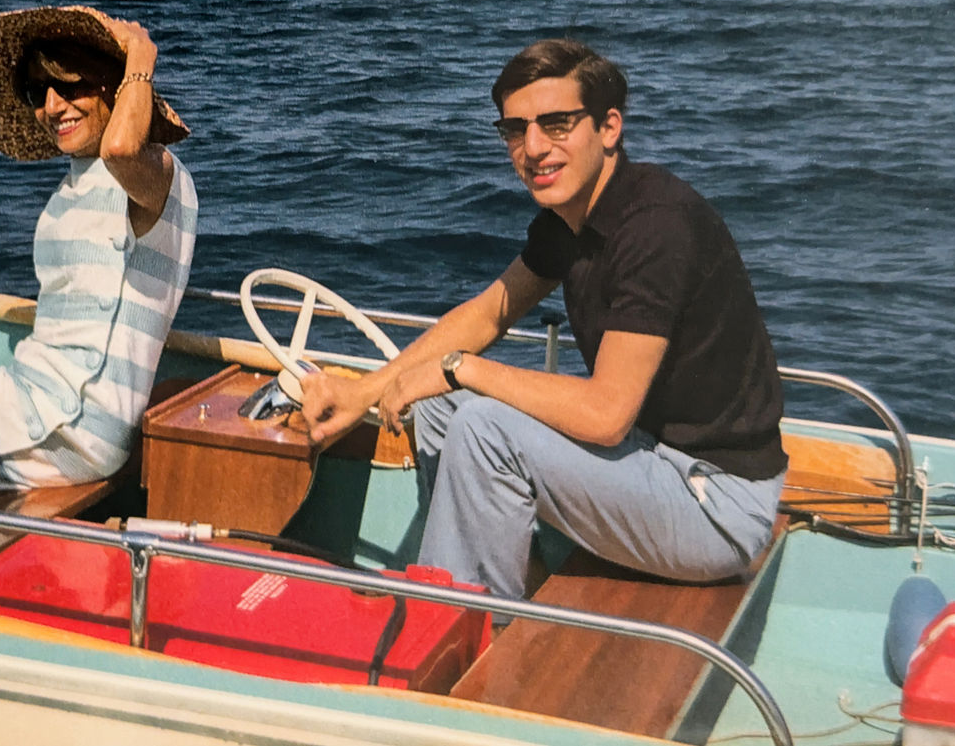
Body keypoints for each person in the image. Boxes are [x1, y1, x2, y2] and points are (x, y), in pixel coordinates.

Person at [302, 38, 787, 599]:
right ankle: (480, 584)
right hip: (648, 458)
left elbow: (605, 415)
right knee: (436, 404)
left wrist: (462, 369)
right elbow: (488, 313)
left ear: (609, 128)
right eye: (515, 129)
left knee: (484, 425)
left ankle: (454, 624)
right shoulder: (571, 217)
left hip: (716, 507)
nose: (532, 148)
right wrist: (367, 390)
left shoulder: (656, 229)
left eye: (556, 124)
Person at [0, 5, 198, 491]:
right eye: (39, 92)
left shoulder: (157, 173)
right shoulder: (69, 191)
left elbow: (121, 148)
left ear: (112, 86)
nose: (53, 106)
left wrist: (139, 55)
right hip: (39, 396)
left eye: (71, 85)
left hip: (74, 424)